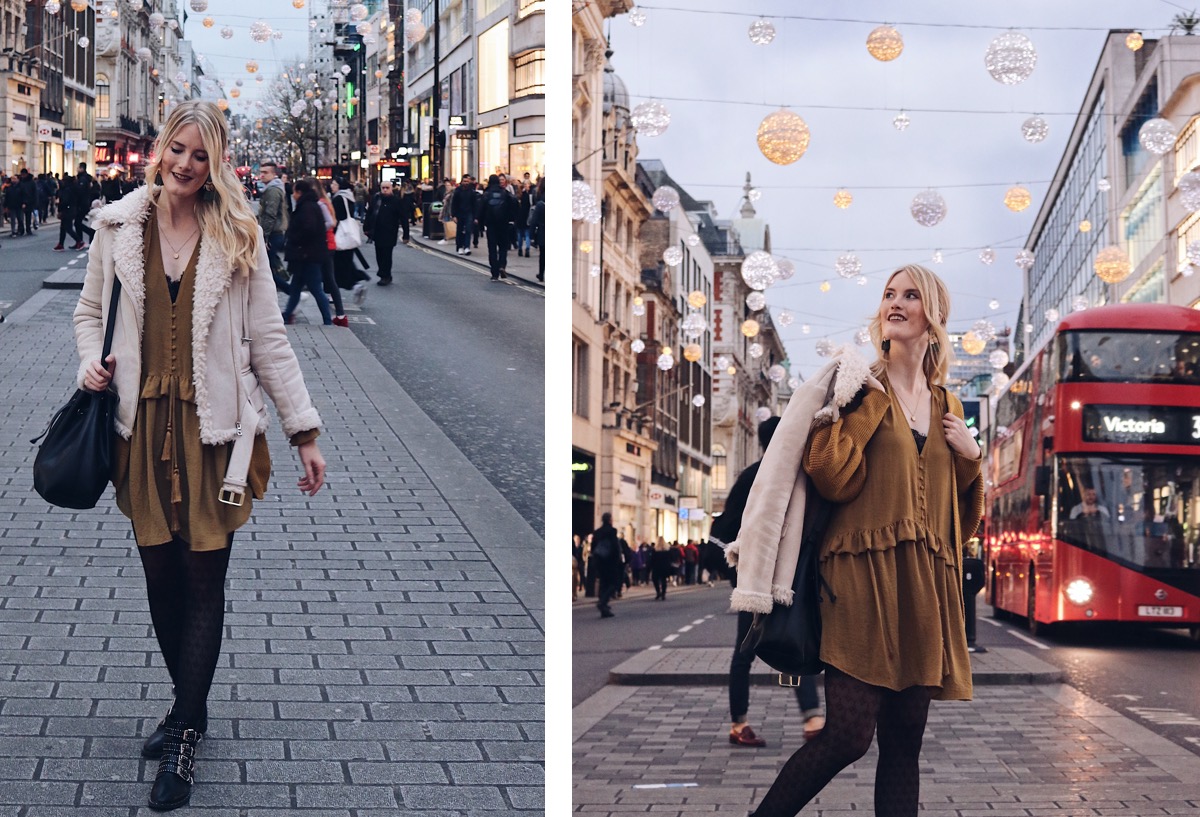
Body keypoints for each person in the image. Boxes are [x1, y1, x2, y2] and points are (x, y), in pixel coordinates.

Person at [73, 100, 326, 812]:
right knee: (160, 577)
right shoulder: (120, 225)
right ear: (161, 150)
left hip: (217, 432)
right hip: (139, 425)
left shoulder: (237, 234)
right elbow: (90, 311)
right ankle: (192, 700)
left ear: (215, 164)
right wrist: (92, 362)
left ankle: (184, 729)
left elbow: (270, 340)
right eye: (177, 150)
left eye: (200, 155)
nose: (186, 164)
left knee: (204, 578)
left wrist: (303, 431)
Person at [735, 264, 984, 817]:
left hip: (923, 587)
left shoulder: (950, 406)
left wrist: (971, 459)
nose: (895, 302)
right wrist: (857, 409)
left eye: (910, 294)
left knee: (904, 746)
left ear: (933, 314)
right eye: (889, 294)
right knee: (848, 737)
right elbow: (832, 476)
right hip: (857, 580)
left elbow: (958, 525)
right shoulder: (858, 386)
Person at [712, 416, 824, 749]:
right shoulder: (789, 475)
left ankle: (740, 723)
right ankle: (812, 717)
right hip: (780, 577)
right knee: (795, 639)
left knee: (746, 651)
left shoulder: (750, 476)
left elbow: (723, 528)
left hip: (756, 576)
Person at [281, 178, 334, 326]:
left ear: (300, 192)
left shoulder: (307, 207)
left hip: (307, 255)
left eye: (294, 192)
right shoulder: (309, 204)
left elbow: (309, 229)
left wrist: (296, 240)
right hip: (306, 255)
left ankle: (327, 320)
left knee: (316, 288)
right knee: (296, 287)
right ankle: (287, 314)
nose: (293, 195)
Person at [307, 177, 350, 325]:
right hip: (324, 244)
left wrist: (315, 228)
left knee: (324, 280)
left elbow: (331, 222)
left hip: (324, 244)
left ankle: (338, 316)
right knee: (326, 280)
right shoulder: (323, 201)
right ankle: (339, 315)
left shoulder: (321, 203)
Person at [476, 174, 519, 282]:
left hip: (490, 225)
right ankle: (502, 265)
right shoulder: (505, 193)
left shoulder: (486, 194)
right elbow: (514, 205)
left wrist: (479, 223)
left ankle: (494, 273)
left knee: (492, 248)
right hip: (503, 224)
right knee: (503, 247)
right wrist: (512, 219)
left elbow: (481, 210)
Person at [256, 161, 289, 292]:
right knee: (271, 265)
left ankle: (292, 291)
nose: (262, 175)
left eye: (265, 172)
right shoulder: (272, 189)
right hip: (275, 233)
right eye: (261, 172)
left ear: (274, 174)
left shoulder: (272, 191)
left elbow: (270, 215)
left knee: (266, 269)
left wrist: (264, 237)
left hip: (273, 234)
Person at [364, 180, 403, 285]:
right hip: (377, 232)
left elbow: (402, 217)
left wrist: (406, 234)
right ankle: (385, 274)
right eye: (383, 188)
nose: (385, 190)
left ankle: (385, 275)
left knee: (386, 255)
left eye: (387, 188)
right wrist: (366, 227)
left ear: (391, 188)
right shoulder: (376, 199)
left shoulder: (396, 201)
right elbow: (370, 213)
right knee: (379, 254)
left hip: (390, 232)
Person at [591, 512, 623, 618]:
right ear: (610, 520)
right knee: (613, 583)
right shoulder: (612, 531)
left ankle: (604, 607)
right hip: (610, 562)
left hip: (599, 562)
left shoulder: (597, 532)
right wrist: (618, 560)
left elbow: (593, 547)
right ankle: (603, 602)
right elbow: (615, 547)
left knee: (603, 583)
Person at [53, 175, 82, 251]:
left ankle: (79, 241)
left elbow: (65, 201)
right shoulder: (71, 188)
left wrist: (59, 205)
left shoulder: (67, 190)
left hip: (68, 210)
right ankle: (61, 244)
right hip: (70, 209)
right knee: (63, 227)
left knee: (68, 228)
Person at [450, 174, 477, 256]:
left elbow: (474, 204)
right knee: (460, 230)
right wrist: (454, 215)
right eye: (464, 181)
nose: (466, 183)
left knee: (468, 230)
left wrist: (475, 217)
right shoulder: (457, 191)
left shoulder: (472, 191)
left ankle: (467, 247)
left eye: (467, 182)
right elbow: (454, 204)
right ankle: (459, 247)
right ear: (461, 181)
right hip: (459, 213)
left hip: (469, 213)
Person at [74, 162, 98, 247]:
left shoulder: (83, 179)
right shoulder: (84, 178)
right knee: (78, 222)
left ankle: (88, 235)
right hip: (84, 203)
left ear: (82, 168)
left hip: (82, 204)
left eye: (78, 167)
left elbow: (80, 192)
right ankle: (79, 241)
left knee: (77, 222)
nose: (77, 169)